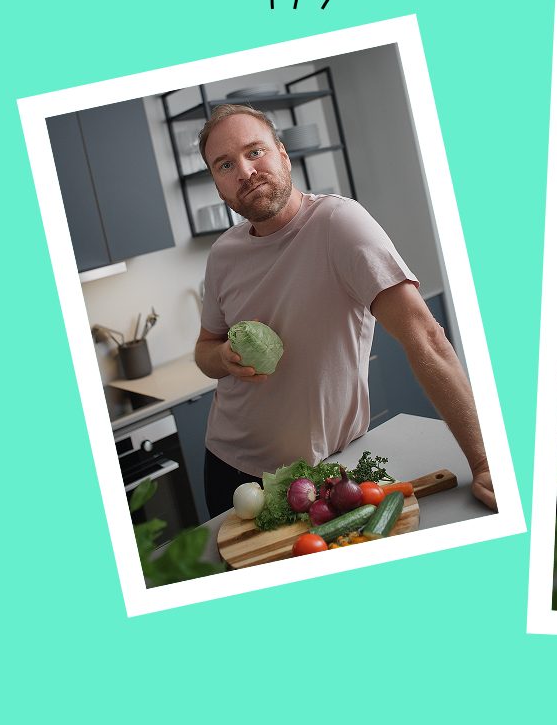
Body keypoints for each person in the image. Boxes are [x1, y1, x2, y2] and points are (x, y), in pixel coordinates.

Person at [191, 104, 496, 514]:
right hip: (227, 466)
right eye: (225, 164)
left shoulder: (339, 224)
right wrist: (224, 358)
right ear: (216, 182)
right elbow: (205, 350)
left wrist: (484, 462)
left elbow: (424, 337)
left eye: (255, 152)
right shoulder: (222, 255)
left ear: (283, 153)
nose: (245, 172)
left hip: (323, 473)